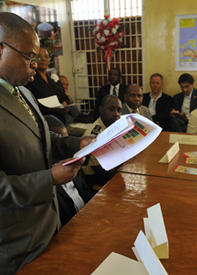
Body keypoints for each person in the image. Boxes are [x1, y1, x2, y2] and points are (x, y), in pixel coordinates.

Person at [0, 12, 93, 273]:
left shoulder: (24, 92)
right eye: (29, 57)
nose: (34, 66)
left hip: (48, 224)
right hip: (16, 241)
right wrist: (50, 178)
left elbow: (43, 137)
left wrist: (78, 144)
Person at [44, 115, 95, 226]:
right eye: (62, 145)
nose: (67, 151)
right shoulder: (47, 179)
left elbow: (85, 191)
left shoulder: (73, 162)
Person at [25, 48, 78, 125]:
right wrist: (50, 110)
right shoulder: (31, 80)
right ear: (33, 60)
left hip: (61, 119)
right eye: (39, 57)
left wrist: (65, 103)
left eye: (46, 57)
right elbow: (31, 103)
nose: (43, 59)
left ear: (49, 60)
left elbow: (63, 96)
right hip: (45, 121)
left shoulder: (52, 80)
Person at [82, 95, 122, 192]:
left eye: (119, 110)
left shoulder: (112, 126)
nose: (116, 114)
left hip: (109, 171)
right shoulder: (94, 135)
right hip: (96, 181)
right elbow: (100, 171)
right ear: (101, 110)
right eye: (111, 109)